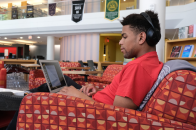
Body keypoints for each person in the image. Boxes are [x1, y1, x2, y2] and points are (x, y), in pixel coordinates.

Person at [6, 10, 163, 129]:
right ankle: (23, 97)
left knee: (31, 100)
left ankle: (22, 99)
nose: (121, 42)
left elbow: (118, 115)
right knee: (57, 84)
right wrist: (95, 91)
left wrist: (78, 96)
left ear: (142, 37)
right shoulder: (147, 63)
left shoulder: (138, 67)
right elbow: (117, 98)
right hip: (93, 101)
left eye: (124, 37)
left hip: (90, 110)